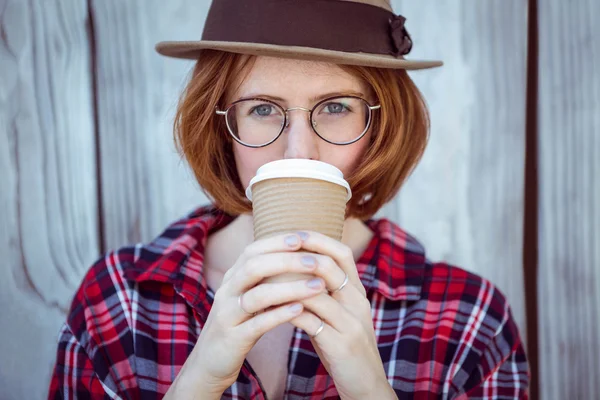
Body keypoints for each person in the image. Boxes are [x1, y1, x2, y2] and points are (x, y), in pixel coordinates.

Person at [48, 0, 529, 399]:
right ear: (220, 126)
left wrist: (368, 386)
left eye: (336, 107)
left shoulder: (470, 322)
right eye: (262, 109)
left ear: (381, 127)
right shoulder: (118, 303)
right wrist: (199, 382)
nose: (299, 150)